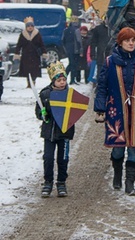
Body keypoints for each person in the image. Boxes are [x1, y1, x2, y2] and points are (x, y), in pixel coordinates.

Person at [94, 27, 135, 196]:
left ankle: (130, 183)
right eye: (127, 40)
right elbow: (102, 86)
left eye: (133, 40)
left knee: (134, 147)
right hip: (116, 111)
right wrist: (100, 108)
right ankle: (117, 175)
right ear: (120, 42)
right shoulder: (110, 62)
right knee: (117, 148)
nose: (131, 43)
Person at [35, 61, 75, 198]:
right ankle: (48, 182)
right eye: (59, 80)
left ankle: (61, 182)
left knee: (63, 159)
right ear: (53, 80)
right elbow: (38, 111)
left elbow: (74, 112)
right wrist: (42, 113)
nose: (62, 82)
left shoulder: (70, 94)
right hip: (49, 133)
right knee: (48, 158)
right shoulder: (45, 94)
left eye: (64, 79)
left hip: (64, 133)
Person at [13, 17, 47, 87]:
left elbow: (41, 44)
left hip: (35, 55)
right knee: (27, 70)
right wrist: (17, 53)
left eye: (31, 26)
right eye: (28, 26)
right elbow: (19, 45)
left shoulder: (37, 34)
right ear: (26, 27)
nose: (30, 27)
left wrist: (44, 53)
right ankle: (29, 83)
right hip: (26, 55)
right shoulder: (23, 34)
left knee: (34, 70)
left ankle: (33, 82)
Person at [62, 15, 82, 85]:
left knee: (71, 64)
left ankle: (64, 77)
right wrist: (81, 50)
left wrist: (66, 48)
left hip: (69, 49)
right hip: (75, 50)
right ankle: (71, 79)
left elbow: (63, 40)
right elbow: (79, 41)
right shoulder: (77, 30)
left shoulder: (66, 30)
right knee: (73, 65)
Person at [90, 16, 109, 83]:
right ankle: (99, 86)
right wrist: (92, 53)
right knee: (100, 71)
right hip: (100, 54)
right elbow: (93, 42)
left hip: (111, 54)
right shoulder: (98, 29)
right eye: (107, 18)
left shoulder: (114, 29)